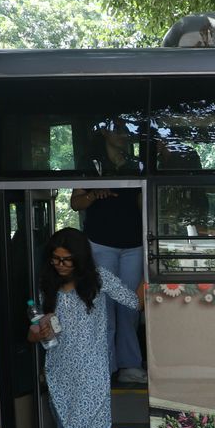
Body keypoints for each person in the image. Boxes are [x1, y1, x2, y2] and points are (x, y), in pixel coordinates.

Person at [28, 228, 141, 428]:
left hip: (91, 370)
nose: (61, 265)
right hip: (58, 370)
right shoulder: (47, 286)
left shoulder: (99, 278)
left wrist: (149, 280)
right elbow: (34, 333)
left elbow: (133, 301)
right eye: (56, 259)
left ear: (80, 259)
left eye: (67, 260)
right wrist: (39, 332)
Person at [70, 121, 145, 383]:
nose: (124, 135)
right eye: (118, 129)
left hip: (134, 243)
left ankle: (129, 365)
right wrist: (94, 194)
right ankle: (105, 365)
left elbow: (142, 203)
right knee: (104, 307)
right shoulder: (90, 162)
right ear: (104, 131)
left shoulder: (136, 164)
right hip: (101, 242)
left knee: (130, 306)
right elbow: (75, 202)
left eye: (127, 131)